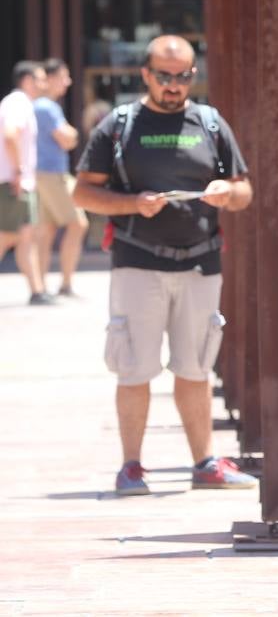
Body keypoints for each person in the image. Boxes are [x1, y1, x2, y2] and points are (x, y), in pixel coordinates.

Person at [73, 35, 256, 496]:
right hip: (138, 263)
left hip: (200, 264)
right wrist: (132, 203)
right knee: (135, 368)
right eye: (164, 76)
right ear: (146, 75)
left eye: (183, 76)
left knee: (195, 367)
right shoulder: (120, 125)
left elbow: (244, 191)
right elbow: (83, 193)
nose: (173, 85)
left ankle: (205, 463)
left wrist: (226, 192)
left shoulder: (210, 123)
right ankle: (131, 466)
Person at [0, 61, 54, 305]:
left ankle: (36, 291)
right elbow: (10, 135)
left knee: (25, 237)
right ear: (27, 80)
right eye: (40, 79)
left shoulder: (22, 104)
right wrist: (18, 171)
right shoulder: (17, 103)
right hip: (13, 180)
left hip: (20, 180)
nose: (44, 83)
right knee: (7, 236)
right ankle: (37, 291)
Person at [33, 58, 87, 297]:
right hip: (52, 174)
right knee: (78, 224)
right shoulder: (47, 107)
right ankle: (65, 284)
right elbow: (67, 138)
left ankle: (40, 287)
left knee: (46, 231)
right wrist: (73, 133)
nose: (68, 82)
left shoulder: (40, 106)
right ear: (50, 78)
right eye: (64, 77)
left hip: (43, 173)